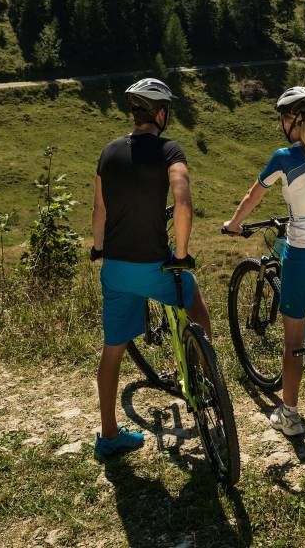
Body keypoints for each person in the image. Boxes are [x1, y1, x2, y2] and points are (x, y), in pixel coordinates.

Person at [88, 77, 210, 458]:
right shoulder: (169, 149)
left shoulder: (108, 153)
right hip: (157, 268)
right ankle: (207, 386)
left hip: (118, 269)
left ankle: (109, 436)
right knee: (198, 310)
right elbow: (183, 198)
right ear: (160, 113)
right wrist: (181, 253)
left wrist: (98, 248)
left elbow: (99, 210)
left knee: (112, 352)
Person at [219, 85, 305, 437]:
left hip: (303, 251)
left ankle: (290, 414)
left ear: (289, 120)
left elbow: (252, 196)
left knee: (293, 340)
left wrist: (234, 225)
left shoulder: (282, 157)